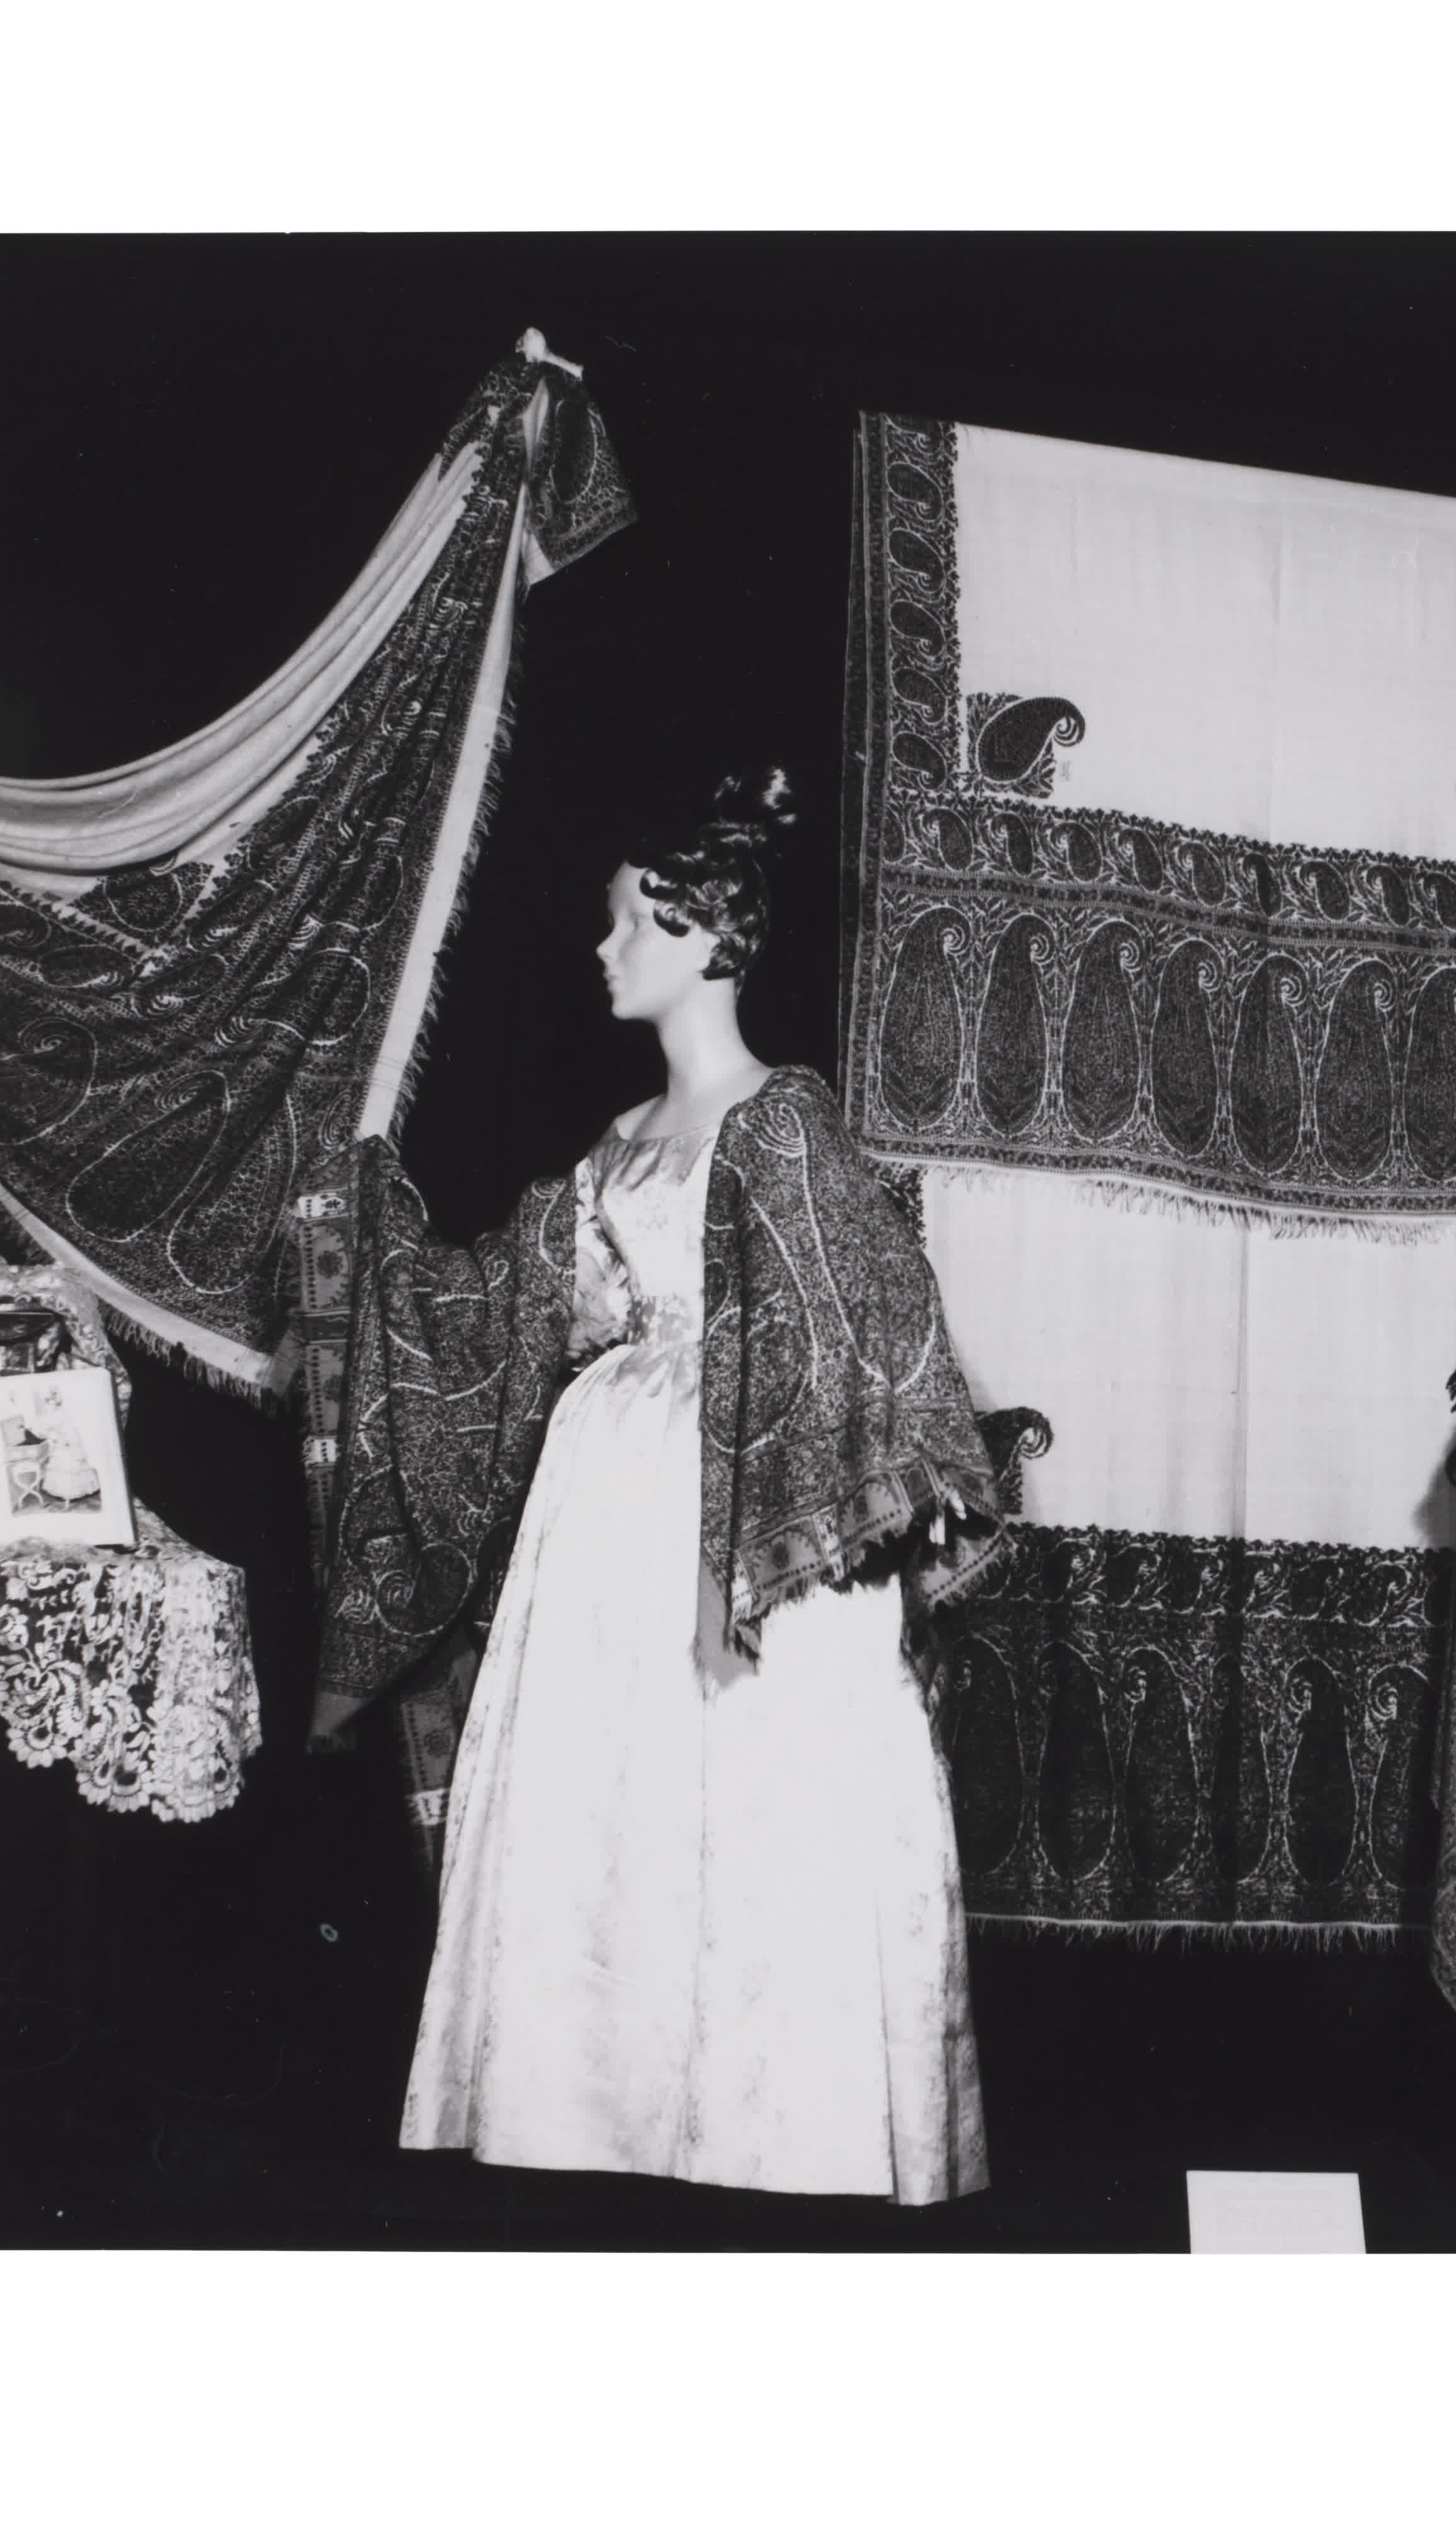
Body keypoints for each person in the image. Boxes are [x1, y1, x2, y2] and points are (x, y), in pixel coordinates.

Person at [311, 803, 1001, 2204]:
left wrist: (739, 1559)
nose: (606, 945)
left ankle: (779, 2128)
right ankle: (602, 2110)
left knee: (753, 1786)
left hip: (745, 1506)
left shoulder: (785, 1118)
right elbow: (501, 1315)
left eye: (634, 920)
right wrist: (368, 1228)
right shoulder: (620, 1138)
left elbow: (866, 1323)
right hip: (607, 1497)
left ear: (708, 935)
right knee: (608, 1791)